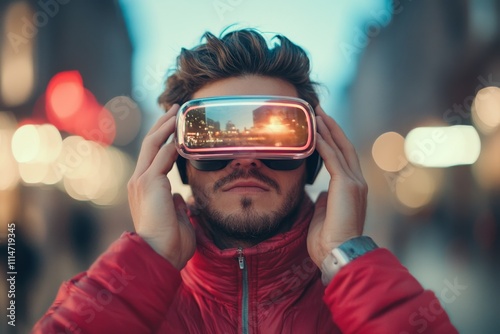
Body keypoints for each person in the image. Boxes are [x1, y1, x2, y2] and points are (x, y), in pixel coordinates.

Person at [33, 29, 457, 333]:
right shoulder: (132, 298)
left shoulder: (357, 302)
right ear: (176, 156)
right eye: (214, 134)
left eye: (277, 134)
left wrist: (346, 257)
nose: (247, 157)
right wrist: (148, 259)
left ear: (316, 154)